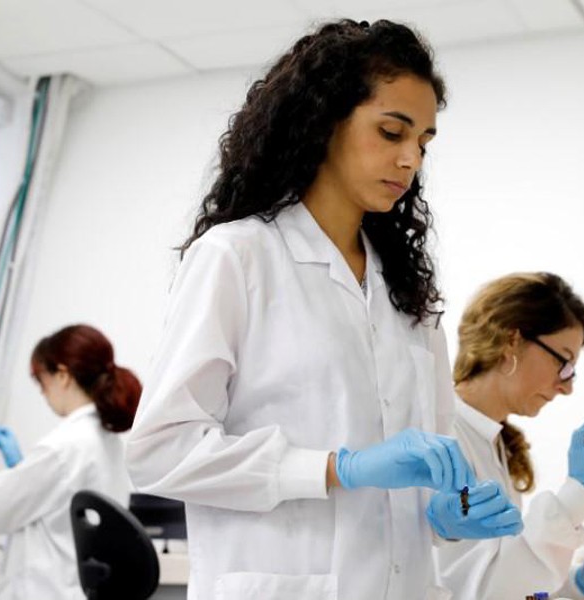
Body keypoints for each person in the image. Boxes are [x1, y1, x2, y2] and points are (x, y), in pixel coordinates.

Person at [125, 18, 523, 600]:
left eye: (423, 143)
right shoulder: (238, 257)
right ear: (322, 122)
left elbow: (413, 488)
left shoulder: (409, 298)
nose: (410, 159)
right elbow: (159, 452)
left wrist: (442, 517)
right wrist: (339, 468)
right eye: (392, 132)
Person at [435, 273, 584, 599]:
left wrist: (577, 587)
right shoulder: (441, 437)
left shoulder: (492, 444)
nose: (567, 386)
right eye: (563, 362)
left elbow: (508, 580)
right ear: (511, 341)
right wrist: (576, 498)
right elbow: (474, 591)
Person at [0, 324, 141, 600]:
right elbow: (57, 507)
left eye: (41, 381)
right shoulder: (107, 441)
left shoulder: (62, 447)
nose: (42, 392)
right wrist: (20, 466)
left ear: (62, 376)